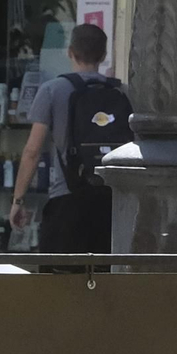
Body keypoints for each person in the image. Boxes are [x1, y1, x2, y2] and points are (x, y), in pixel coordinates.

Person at [10, 24, 129, 255]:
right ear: (103, 56)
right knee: (105, 282)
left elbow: (32, 151)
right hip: (111, 203)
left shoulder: (52, 90)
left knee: (59, 283)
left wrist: (18, 201)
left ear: (70, 52)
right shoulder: (122, 92)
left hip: (66, 200)